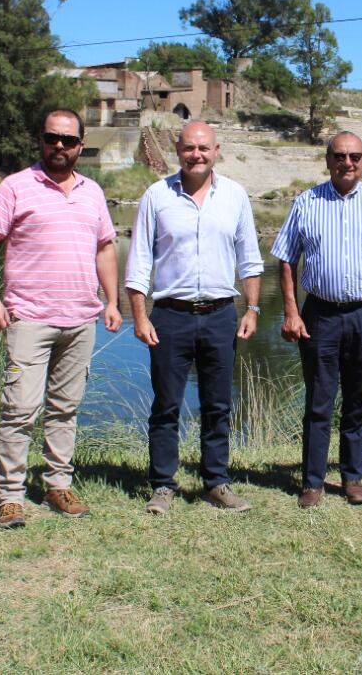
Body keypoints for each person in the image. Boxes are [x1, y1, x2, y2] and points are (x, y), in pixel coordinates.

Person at [0, 109, 122, 530]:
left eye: (68, 140)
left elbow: (105, 249)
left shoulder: (93, 192)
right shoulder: (16, 186)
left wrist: (111, 301)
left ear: (81, 143)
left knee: (65, 408)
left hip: (80, 320)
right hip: (29, 319)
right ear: (40, 141)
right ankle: (10, 496)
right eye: (51, 138)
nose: (59, 146)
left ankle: (58, 484)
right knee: (20, 409)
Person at [272, 131, 362, 508]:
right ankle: (313, 482)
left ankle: (352, 477)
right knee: (319, 401)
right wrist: (290, 310)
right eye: (339, 156)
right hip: (320, 314)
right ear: (328, 160)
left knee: (357, 398)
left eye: (354, 156)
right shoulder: (306, 203)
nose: (346, 163)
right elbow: (286, 259)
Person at [126, 121, 263, 515]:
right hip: (171, 316)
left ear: (216, 149)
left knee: (218, 404)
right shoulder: (157, 195)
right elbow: (139, 262)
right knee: (166, 404)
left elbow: (249, 259)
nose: (196, 155)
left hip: (221, 314)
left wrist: (252, 308)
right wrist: (140, 314)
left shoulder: (234, 195)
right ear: (177, 149)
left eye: (203, 148)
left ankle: (216, 482)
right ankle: (163, 485)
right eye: (189, 148)